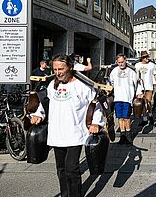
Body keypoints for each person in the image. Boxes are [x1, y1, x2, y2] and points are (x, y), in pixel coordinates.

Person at [30, 54, 104, 197]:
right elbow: (45, 103)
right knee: (61, 169)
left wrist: (96, 123)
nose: (58, 72)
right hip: (57, 133)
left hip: (75, 133)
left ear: (70, 67)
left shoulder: (83, 86)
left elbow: (96, 105)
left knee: (71, 169)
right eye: (55, 69)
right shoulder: (52, 84)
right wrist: (39, 114)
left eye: (61, 69)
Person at [109, 54, 139, 145]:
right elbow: (111, 83)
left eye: (122, 62)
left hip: (127, 98)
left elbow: (137, 83)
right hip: (118, 98)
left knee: (127, 118)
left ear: (125, 61)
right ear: (117, 62)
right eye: (119, 62)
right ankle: (122, 136)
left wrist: (138, 93)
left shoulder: (131, 72)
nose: (121, 64)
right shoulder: (114, 71)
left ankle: (128, 137)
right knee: (120, 118)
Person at [135, 51, 156, 126]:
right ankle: (144, 119)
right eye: (145, 57)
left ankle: (150, 115)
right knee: (142, 104)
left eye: (147, 56)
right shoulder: (137, 65)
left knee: (148, 103)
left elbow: (155, 74)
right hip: (140, 87)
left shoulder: (152, 65)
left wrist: (155, 84)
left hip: (149, 86)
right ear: (142, 58)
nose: (147, 58)